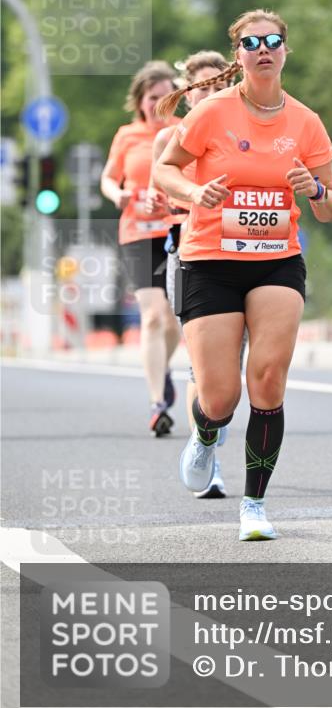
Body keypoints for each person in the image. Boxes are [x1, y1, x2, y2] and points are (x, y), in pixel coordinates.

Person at [154, 8, 332, 541]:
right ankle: (207, 434)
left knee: (267, 378)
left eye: (274, 40)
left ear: (285, 50)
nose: (264, 48)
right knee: (220, 397)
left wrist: (315, 191)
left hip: (276, 259)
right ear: (238, 55)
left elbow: (331, 208)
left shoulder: (305, 122)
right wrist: (195, 193)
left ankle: (254, 505)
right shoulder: (211, 112)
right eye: (253, 41)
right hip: (211, 259)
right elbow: (165, 170)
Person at [146, 50, 246, 497]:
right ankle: (208, 455)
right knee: (200, 365)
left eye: (218, 86)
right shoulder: (171, 139)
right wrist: (176, 203)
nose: (211, 94)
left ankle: (213, 417)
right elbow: (160, 192)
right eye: (202, 87)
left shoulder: (243, 133)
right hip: (192, 254)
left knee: (234, 364)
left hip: (244, 256)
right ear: (188, 92)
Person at [100, 61, 181, 435]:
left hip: (175, 229)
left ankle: (161, 367)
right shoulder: (126, 135)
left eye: (166, 96)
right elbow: (108, 178)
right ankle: (157, 402)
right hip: (136, 233)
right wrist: (118, 195)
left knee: (173, 319)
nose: (159, 103)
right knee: (151, 316)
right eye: (152, 97)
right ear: (140, 100)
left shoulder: (183, 131)